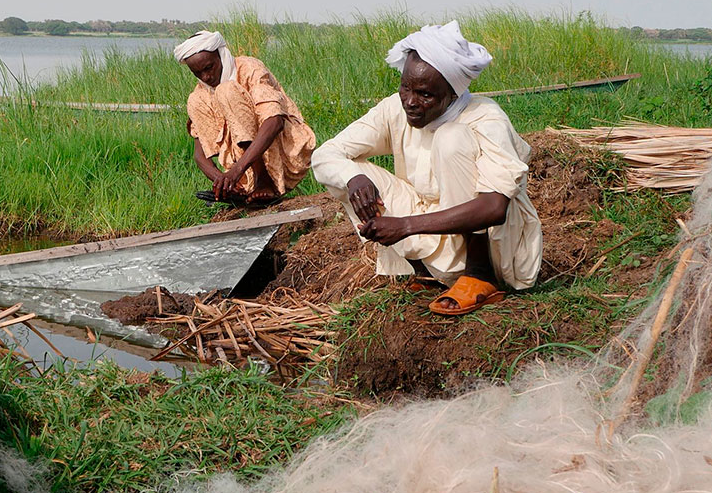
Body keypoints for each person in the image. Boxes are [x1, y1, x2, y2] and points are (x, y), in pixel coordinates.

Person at [311, 21, 542, 315]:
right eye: (405, 87)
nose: (410, 101)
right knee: (349, 170)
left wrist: (405, 227)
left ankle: (478, 275)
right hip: (437, 235)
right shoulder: (394, 109)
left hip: (498, 249)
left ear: (453, 93)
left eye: (425, 94)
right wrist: (354, 178)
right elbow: (325, 155)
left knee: (451, 139)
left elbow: (494, 207)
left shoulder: (485, 119)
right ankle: (428, 274)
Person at [173, 31, 317, 206]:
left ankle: (263, 180)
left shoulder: (250, 68)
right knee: (195, 100)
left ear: (221, 55)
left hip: (285, 151)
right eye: (198, 73)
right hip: (241, 172)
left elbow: (275, 121)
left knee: (226, 91)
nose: (206, 77)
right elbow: (199, 154)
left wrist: (236, 171)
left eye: (209, 68)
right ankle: (247, 187)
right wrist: (223, 181)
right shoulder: (200, 95)